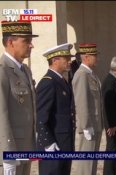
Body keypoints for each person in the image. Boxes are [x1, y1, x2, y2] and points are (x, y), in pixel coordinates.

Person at [0, 21, 38, 175]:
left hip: (26, 147)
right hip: (11, 149)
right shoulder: (2, 71)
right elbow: (1, 116)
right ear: (10, 42)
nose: (31, 45)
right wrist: (7, 154)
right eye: (26, 41)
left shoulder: (25, 70)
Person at [36, 43, 76, 175]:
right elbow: (40, 116)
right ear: (54, 60)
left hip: (64, 142)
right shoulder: (48, 82)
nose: (70, 61)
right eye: (66, 58)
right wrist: (48, 142)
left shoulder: (61, 80)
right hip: (54, 144)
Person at [72, 43, 103, 175]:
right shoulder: (81, 74)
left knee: (92, 162)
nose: (97, 58)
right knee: (86, 163)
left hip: (95, 124)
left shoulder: (91, 74)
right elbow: (81, 101)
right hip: (89, 126)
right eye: (95, 56)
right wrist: (85, 126)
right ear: (86, 57)